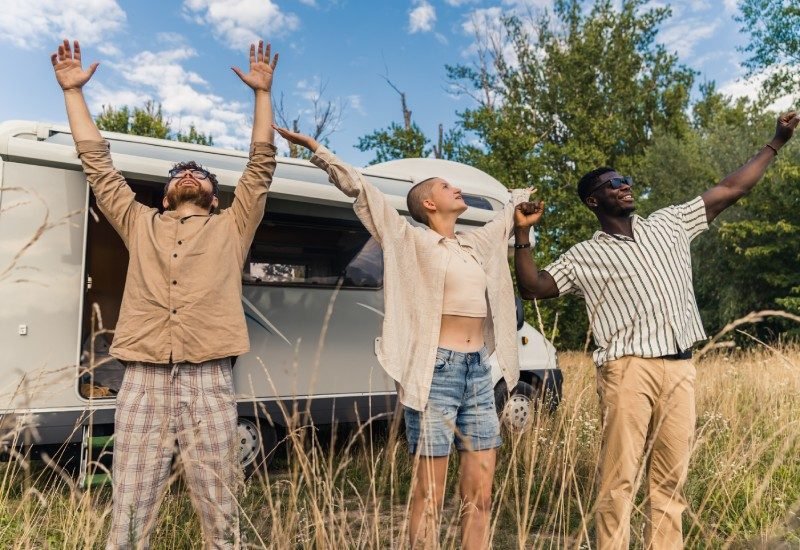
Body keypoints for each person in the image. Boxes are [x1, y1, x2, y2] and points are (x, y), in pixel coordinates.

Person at [512, 111, 799, 549]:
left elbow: (732, 188)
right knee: (619, 481)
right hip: (626, 371)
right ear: (593, 201)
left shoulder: (670, 224)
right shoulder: (585, 255)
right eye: (612, 183)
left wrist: (776, 142)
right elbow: (533, 286)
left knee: (670, 483)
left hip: (680, 370)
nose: (623, 184)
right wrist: (522, 236)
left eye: (624, 179)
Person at [51, 38, 279, 548]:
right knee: (129, 515)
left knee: (221, 513)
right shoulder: (138, 222)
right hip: (143, 379)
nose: (187, 174)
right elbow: (98, 166)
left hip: (209, 377)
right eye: (178, 174)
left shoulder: (234, 225)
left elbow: (260, 166)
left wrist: (263, 94)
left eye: (197, 173)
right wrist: (72, 93)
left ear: (214, 196)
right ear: (167, 192)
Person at [272, 125, 530, 548]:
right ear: (428, 203)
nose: (457, 188)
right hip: (435, 374)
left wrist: (520, 207)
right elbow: (361, 191)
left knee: (479, 497)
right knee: (429, 496)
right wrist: (317, 150)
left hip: (479, 375)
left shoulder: (474, 244)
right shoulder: (408, 239)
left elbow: (506, 220)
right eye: (447, 186)